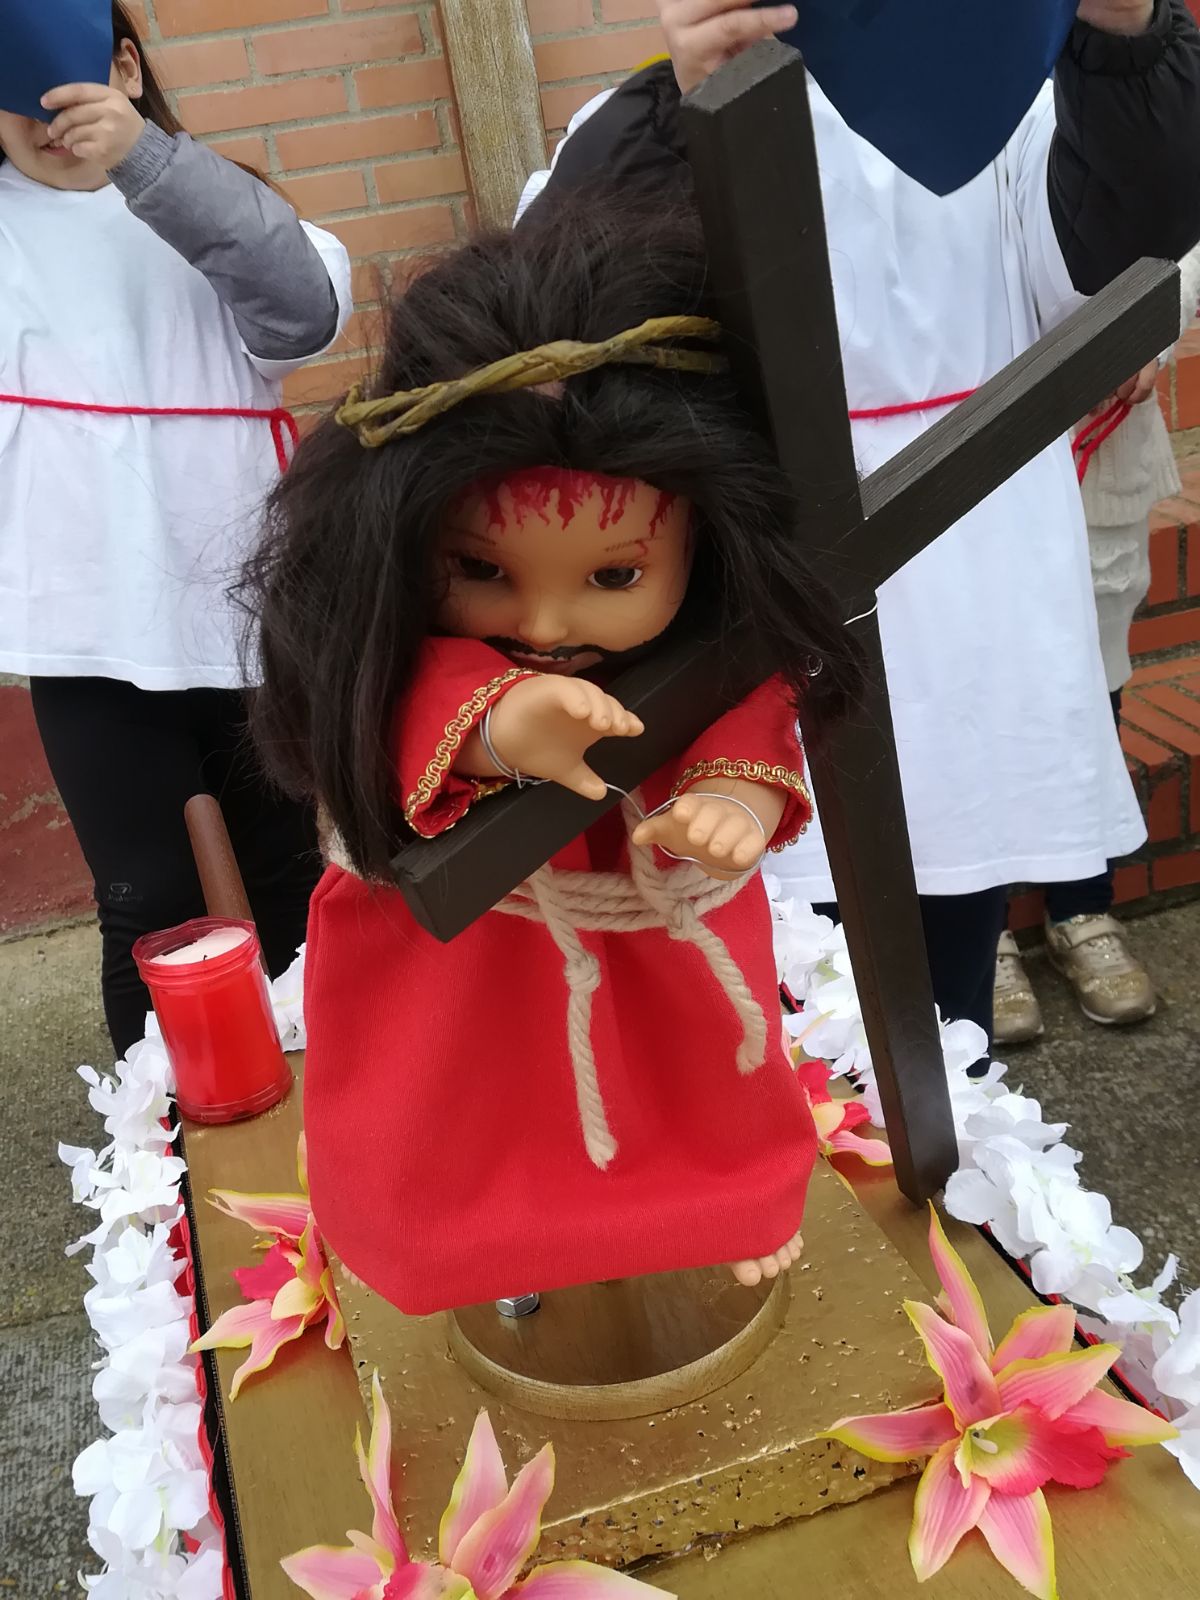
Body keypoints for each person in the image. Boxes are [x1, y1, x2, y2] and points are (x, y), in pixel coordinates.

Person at [521, 0, 1200, 1047]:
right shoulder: (633, 121)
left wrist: (1127, 34)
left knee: (952, 1028)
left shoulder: (1009, 121)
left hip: (970, 606)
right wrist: (692, 112)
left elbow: (1126, 247)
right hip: (772, 634)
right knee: (783, 1016)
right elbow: (571, 349)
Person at [241, 187, 866, 1315]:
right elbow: (399, 707)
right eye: (483, 570)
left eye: (614, 576)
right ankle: (471, 1249)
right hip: (467, 948)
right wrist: (498, 720)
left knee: (698, 1078)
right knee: (464, 1109)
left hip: (654, 900)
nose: (543, 625)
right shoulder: (416, 655)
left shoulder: (712, 648)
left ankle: (720, 1205)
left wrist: (731, 792)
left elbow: (751, 712)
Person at [0, 1, 351, 1058]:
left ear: (128, 68)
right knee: (146, 897)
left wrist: (149, 164)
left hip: (239, 612)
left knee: (286, 869)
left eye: (73, 89)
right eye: (19, 100)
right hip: (88, 630)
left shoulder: (216, 204)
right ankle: (163, 1157)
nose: (50, 120)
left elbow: (303, 311)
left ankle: (329, 1103)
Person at [995, 243, 1200, 1042]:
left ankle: (1083, 904)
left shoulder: (1115, 109)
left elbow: (1179, 222)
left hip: (1102, 433)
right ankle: (979, 926)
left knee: (1092, 673)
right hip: (955, 421)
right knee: (973, 680)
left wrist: (1138, 336)